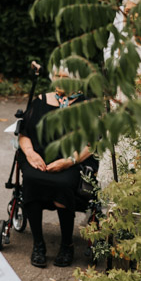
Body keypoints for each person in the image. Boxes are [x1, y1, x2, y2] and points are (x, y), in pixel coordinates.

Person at [19, 69, 98, 268]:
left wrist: (69, 161)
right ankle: (38, 244)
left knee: (63, 184)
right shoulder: (40, 101)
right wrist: (30, 154)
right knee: (31, 180)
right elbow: (24, 133)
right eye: (58, 76)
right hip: (39, 158)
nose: (61, 81)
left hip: (72, 161)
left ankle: (67, 244)